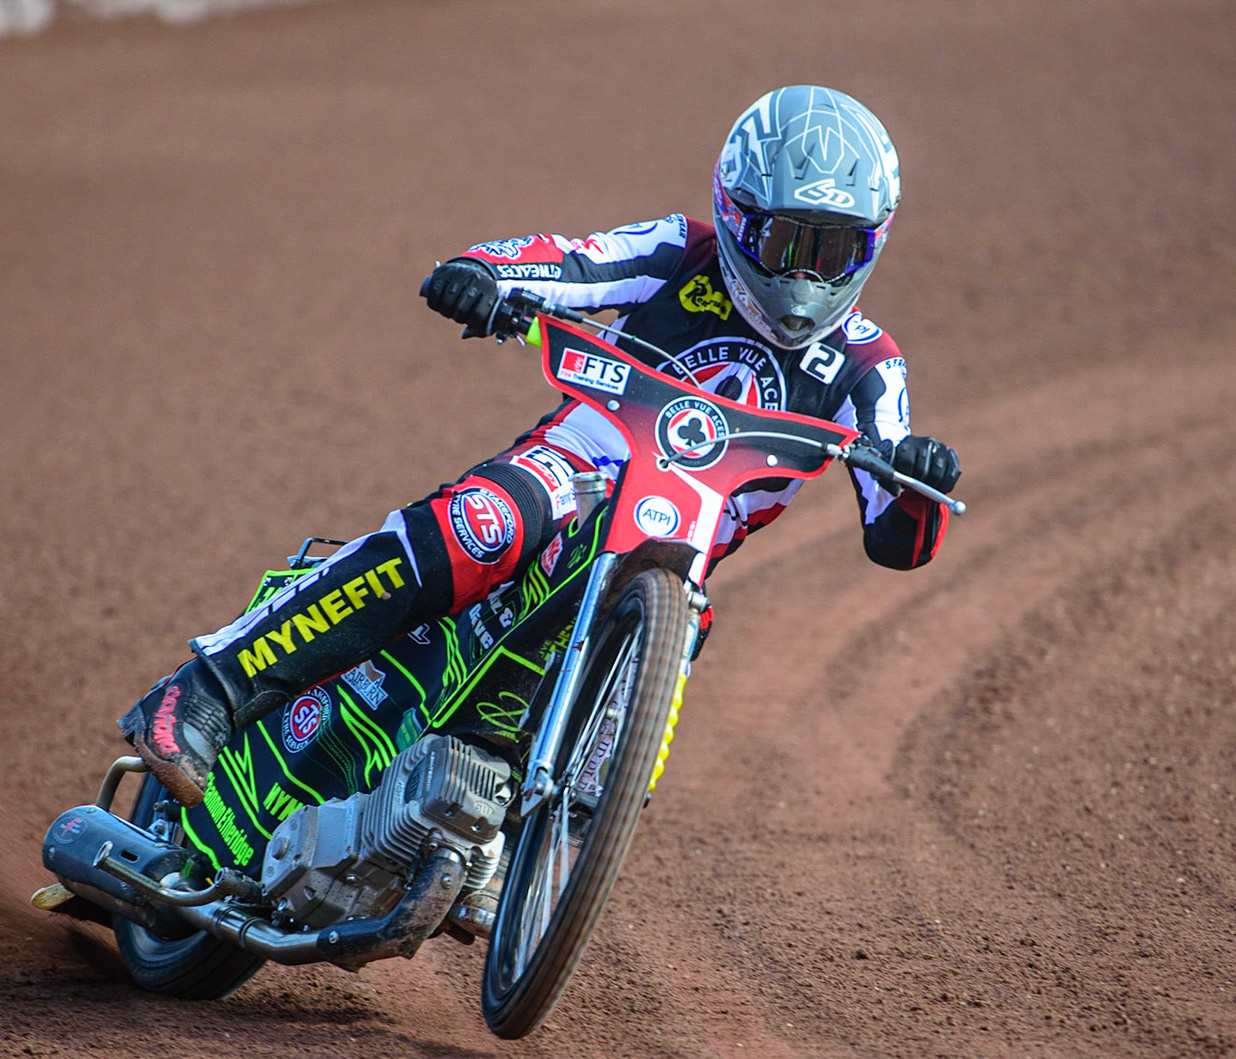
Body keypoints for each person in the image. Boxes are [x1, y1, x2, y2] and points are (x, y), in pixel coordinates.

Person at [119, 85, 961, 807]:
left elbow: (897, 536)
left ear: (874, 243)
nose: (806, 275)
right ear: (737, 216)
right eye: (787, 243)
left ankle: (525, 840)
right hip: (576, 466)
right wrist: (481, 278)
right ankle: (206, 692)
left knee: (646, 696)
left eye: (836, 249)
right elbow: (564, 263)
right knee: (487, 520)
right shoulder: (680, 252)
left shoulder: (868, 364)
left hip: (670, 565)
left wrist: (921, 479)